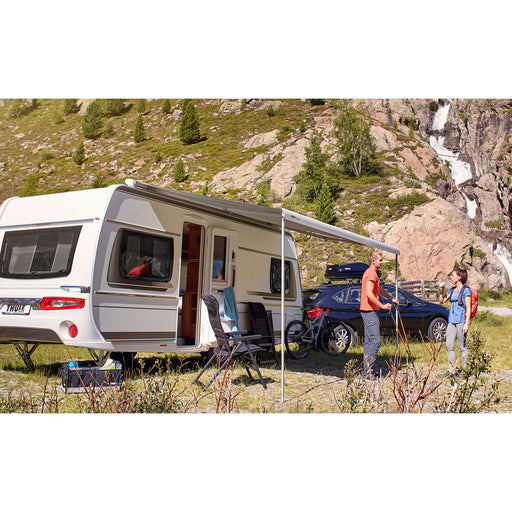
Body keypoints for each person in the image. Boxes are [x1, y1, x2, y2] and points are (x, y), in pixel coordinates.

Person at [360, 251, 399, 380]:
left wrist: (390, 298)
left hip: (367, 310)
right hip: (370, 310)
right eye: (380, 260)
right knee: (375, 341)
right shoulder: (371, 273)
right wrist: (382, 306)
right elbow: (369, 294)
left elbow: (379, 289)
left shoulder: (372, 273)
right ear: (373, 261)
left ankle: (367, 371)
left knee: (369, 341)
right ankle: (368, 372)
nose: (382, 262)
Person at [438, 267, 471, 377]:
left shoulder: (466, 290)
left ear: (460, 277)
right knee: (449, 345)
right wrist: (441, 291)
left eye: (453, 275)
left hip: (461, 321)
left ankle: (465, 371)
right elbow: (441, 301)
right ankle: (451, 371)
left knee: (462, 347)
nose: (451, 277)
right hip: (451, 321)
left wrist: (467, 324)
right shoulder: (451, 290)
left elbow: (469, 308)